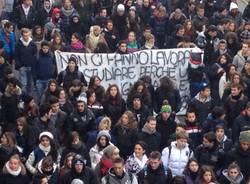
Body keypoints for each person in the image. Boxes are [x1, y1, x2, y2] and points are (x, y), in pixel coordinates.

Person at [15, 28, 37, 94]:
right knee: (23, 84)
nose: (26, 37)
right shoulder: (18, 44)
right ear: (22, 35)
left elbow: (35, 54)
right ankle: (23, 98)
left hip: (30, 66)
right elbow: (16, 55)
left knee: (29, 83)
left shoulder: (32, 44)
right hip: (22, 66)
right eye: (25, 35)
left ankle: (28, 97)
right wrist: (19, 65)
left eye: (28, 35)